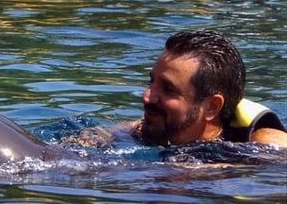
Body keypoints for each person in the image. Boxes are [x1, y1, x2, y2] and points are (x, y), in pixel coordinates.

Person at [66, 30, 287, 148]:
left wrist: (220, 172)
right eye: (151, 82)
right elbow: (106, 136)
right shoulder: (146, 129)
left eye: (169, 89)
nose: (147, 97)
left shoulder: (266, 143)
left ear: (211, 106)